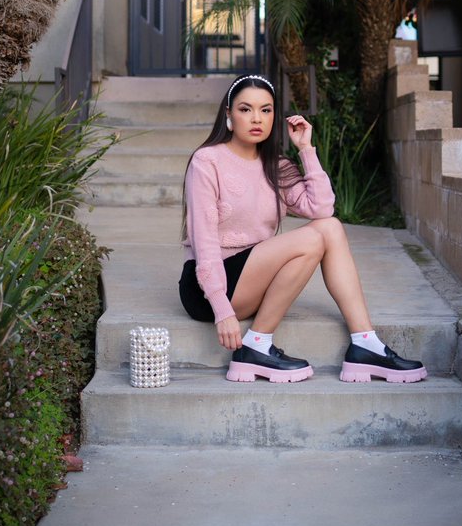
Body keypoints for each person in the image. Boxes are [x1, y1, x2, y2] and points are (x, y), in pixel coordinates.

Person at [178, 74, 427, 385]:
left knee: (329, 228)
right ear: (228, 115)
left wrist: (306, 150)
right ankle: (257, 346)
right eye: (245, 109)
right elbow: (203, 242)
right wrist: (221, 307)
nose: (257, 118)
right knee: (313, 237)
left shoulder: (277, 166)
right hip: (207, 289)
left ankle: (365, 344)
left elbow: (322, 209)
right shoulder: (207, 161)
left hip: (253, 278)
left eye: (266, 110)